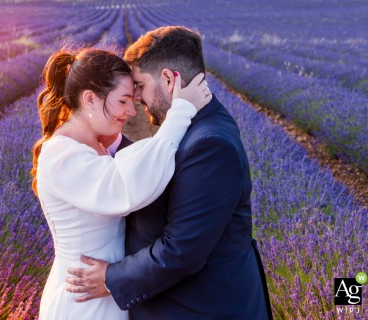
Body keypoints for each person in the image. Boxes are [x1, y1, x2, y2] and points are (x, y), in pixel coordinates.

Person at [65, 26, 273, 319]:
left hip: (202, 309)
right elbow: (159, 157)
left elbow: (182, 250)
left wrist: (112, 278)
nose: (136, 96)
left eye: (139, 85)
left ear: (167, 79)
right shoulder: (200, 123)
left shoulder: (210, 143)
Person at [31, 47, 211, 320]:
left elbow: (136, 164)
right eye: (123, 101)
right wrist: (181, 112)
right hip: (82, 301)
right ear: (90, 99)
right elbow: (128, 189)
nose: (131, 111)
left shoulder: (92, 146)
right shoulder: (61, 155)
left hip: (104, 293)